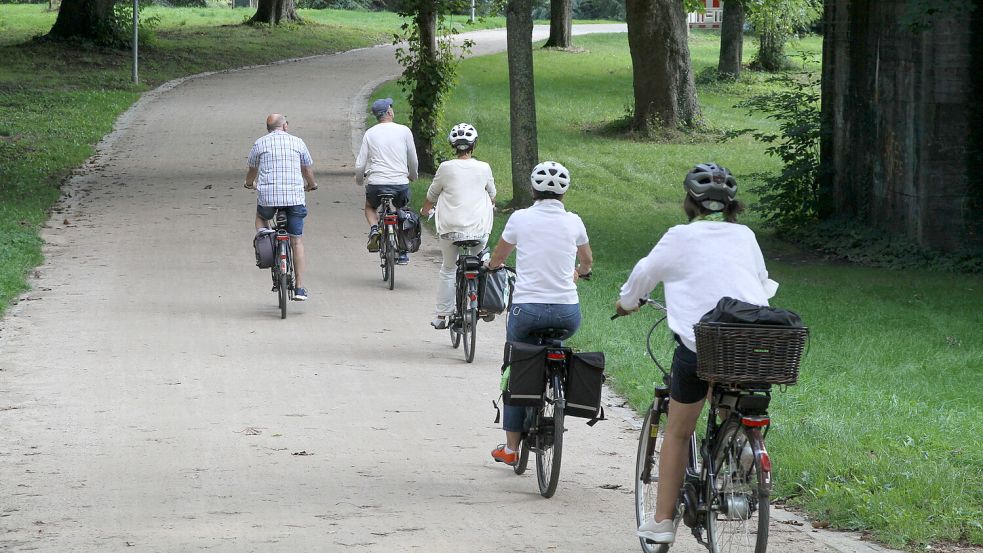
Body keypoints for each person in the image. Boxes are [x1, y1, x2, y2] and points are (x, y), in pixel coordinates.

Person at [614, 162, 778, 544]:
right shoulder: (746, 236)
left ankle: (661, 523)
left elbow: (642, 276)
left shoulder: (678, 236)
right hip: (752, 345)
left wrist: (627, 304)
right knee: (731, 396)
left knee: (678, 429)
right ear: (732, 205)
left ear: (690, 202)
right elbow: (762, 285)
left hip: (699, 347)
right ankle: (739, 444)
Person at [485, 161, 593, 466]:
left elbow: (499, 256)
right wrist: (578, 273)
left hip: (527, 310)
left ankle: (510, 447)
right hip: (566, 314)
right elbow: (587, 262)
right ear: (564, 192)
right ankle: (558, 394)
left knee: (518, 367)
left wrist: (492, 267)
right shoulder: (574, 222)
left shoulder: (520, 218)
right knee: (556, 348)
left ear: (533, 189)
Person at [420, 123, 496, 329]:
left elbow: (432, 195)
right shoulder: (484, 168)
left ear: (453, 146)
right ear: (474, 145)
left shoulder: (445, 168)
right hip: (479, 230)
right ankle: (485, 305)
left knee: (448, 268)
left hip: (450, 230)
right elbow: (492, 194)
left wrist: (425, 210)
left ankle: (442, 316)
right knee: (481, 264)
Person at [245, 113, 318, 301]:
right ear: (285, 126)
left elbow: (252, 170)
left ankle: (266, 239)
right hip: (294, 198)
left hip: (268, 199)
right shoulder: (298, 142)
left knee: (261, 218)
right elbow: (307, 169)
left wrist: (248, 183)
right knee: (297, 241)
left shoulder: (260, 143)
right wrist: (311, 184)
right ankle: (300, 288)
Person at [354, 97, 419, 265]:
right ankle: (403, 252)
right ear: (390, 112)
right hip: (399, 183)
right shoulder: (404, 131)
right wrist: (413, 175)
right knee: (402, 210)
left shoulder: (370, 133)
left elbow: (361, 163)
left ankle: (375, 229)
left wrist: (360, 180)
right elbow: (413, 159)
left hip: (377, 183)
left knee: (370, 207)